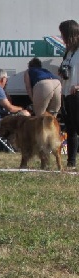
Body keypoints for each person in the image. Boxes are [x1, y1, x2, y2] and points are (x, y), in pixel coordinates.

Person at [59, 19, 79, 168]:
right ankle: (71, 162)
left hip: (77, 94)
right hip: (67, 94)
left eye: (63, 34)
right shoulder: (69, 52)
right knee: (70, 128)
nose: (62, 38)